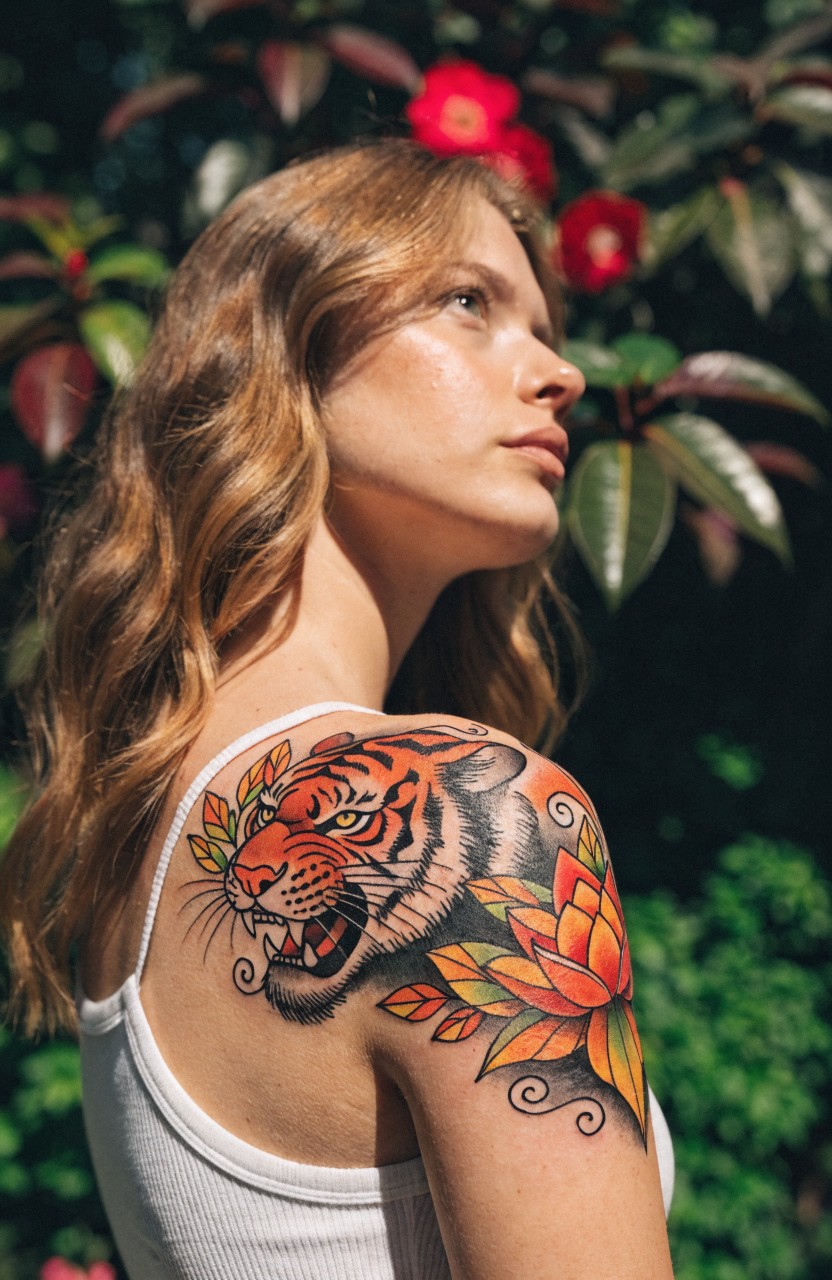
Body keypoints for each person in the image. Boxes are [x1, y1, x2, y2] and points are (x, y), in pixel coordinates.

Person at [0, 138, 675, 1279]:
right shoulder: (483, 814)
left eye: (545, 323)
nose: (561, 371)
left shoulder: (135, 842)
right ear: (288, 352)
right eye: (468, 302)